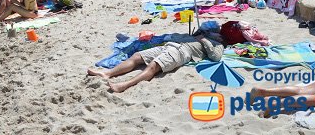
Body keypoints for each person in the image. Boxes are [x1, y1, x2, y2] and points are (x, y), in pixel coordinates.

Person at [88, 31, 224, 93]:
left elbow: (216, 57)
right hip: (169, 46)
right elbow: (174, 36)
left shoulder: (218, 44)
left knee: (154, 66)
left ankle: (124, 85)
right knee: (137, 56)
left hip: (182, 52)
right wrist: (192, 35)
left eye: (218, 33)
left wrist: (204, 40)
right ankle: (107, 74)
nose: (215, 33)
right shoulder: (198, 34)